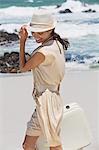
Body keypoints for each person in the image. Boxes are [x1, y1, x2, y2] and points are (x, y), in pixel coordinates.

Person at [19, 10, 69, 150]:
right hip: (50, 98)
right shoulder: (57, 43)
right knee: (28, 145)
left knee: (53, 145)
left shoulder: (42, 52)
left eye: (40, 32)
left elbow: (23, 67)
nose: (36, 35)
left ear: (51, 30)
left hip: (47, 101)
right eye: (34, 32)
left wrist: (22, 42)